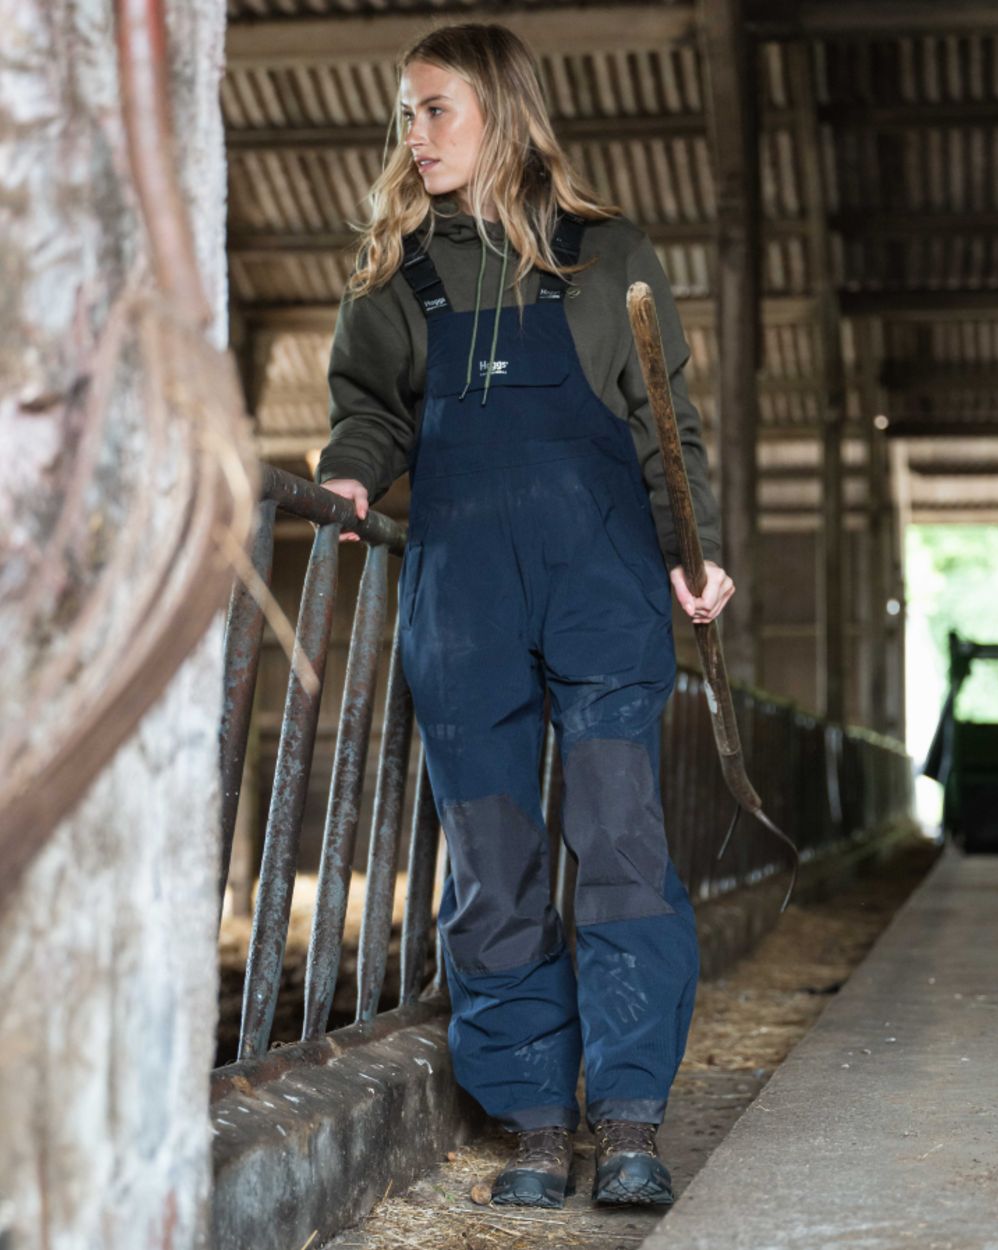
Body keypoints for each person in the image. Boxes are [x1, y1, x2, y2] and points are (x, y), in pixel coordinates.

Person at [316, 22, 734, 1211]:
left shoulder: (606, 258)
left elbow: (666, 425)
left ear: (499, 109)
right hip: (463, 595)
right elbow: (369, 413)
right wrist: (348, 472)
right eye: (405, 113)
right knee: (492, 859)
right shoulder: (400, 276)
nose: (415, 134)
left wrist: (692, 554)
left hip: (600, 582)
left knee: (617, 838)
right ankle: (537, 1119)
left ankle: (631, 1111)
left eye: (434, 109)